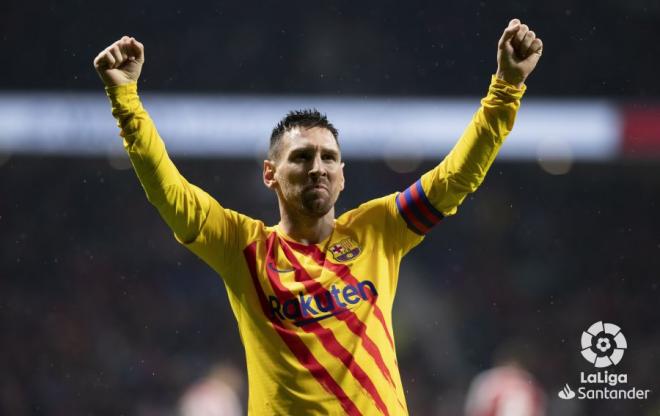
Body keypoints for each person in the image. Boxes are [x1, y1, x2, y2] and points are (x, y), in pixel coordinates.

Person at [93, 18, 543, 416]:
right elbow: (168, 190)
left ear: (343, 176)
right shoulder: (243, 245)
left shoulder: (379, 228)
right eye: (302, 157)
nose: (317, 167)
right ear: (270, 174)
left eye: (329, 157)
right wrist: (125, 100)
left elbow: (455, 178)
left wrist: (506, 88)